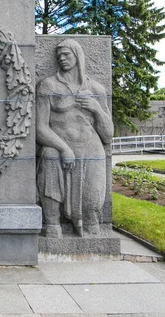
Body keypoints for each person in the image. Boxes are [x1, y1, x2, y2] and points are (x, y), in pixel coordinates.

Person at [36, 39, 113, 237]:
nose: (62, 58)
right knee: (50, 155)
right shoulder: (48, 86)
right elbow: (40, 128)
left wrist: (96, 108)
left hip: (90, 146)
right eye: (59, 55)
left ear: (78, 56)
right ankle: (52, 222)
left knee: (93, 200)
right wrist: (63, 148)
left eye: (66, 54)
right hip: (60, 144)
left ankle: (91, 219)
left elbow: (108, 134)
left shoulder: (96, 89)